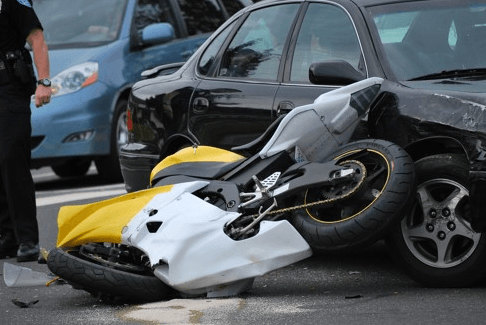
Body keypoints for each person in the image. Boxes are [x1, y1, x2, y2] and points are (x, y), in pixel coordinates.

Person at [0, 0, 51, 262]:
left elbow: (36, 38)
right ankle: (6, 237)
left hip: (9, 86)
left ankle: (27, 239)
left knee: (12, 157)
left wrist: (44, 82)